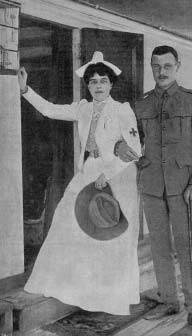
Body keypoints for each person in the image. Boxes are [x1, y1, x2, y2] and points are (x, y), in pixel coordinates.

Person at [18, 51, 142, 316]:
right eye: (93, 81)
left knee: (107, 234)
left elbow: (134, 151)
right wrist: (25, 89)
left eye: (103, 81)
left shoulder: (122, 111)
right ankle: (72, 287)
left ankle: (106, 296)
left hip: (114, 177)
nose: (98, 85)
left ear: (111, 84)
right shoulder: (83, 108)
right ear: (88, 85)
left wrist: (107, 174)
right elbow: (50, 110)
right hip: (88, 171)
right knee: (67, 220)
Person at [114, 45, 192, 336]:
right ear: (151, 67)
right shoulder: (142, 104)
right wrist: (118, 146)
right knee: (160, 248)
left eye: (167, 66)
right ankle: (169, 300)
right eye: (156, 66)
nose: (161, 72)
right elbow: (126, 137)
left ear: (178, 66)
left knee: (189, 251)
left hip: (184, 189)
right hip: (151, 186)